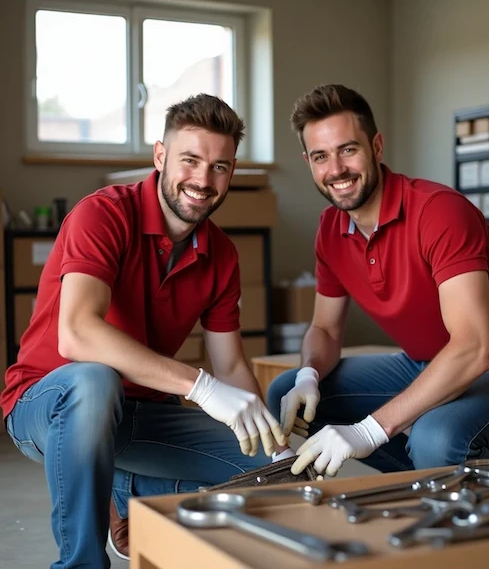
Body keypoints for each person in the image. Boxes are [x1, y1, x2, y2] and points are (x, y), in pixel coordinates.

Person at [1, 94, 287, 568]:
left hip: (142, 415)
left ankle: (131, 490)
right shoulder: (104, 215)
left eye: (220, 167)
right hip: (49, 404)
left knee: (281, 475)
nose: (203, 180)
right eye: (190, 161)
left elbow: (232, 364)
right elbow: (77, 335)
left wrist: (271, 442)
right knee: (94, 381)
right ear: (160, 157)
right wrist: (199, 386)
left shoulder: (222, 255)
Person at [267, 84, 489, 479]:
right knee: (287, 393)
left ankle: (454, 467)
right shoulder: (329, 229)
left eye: (348, 150)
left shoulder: (438, 212)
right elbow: (324, 328)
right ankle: (453, 472)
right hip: (423, 364)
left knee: (434, 439)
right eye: (321, 156)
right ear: (309, 162)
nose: (336, 169)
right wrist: (308, 375)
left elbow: (475, 349)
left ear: (377, 147)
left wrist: (369, 431)